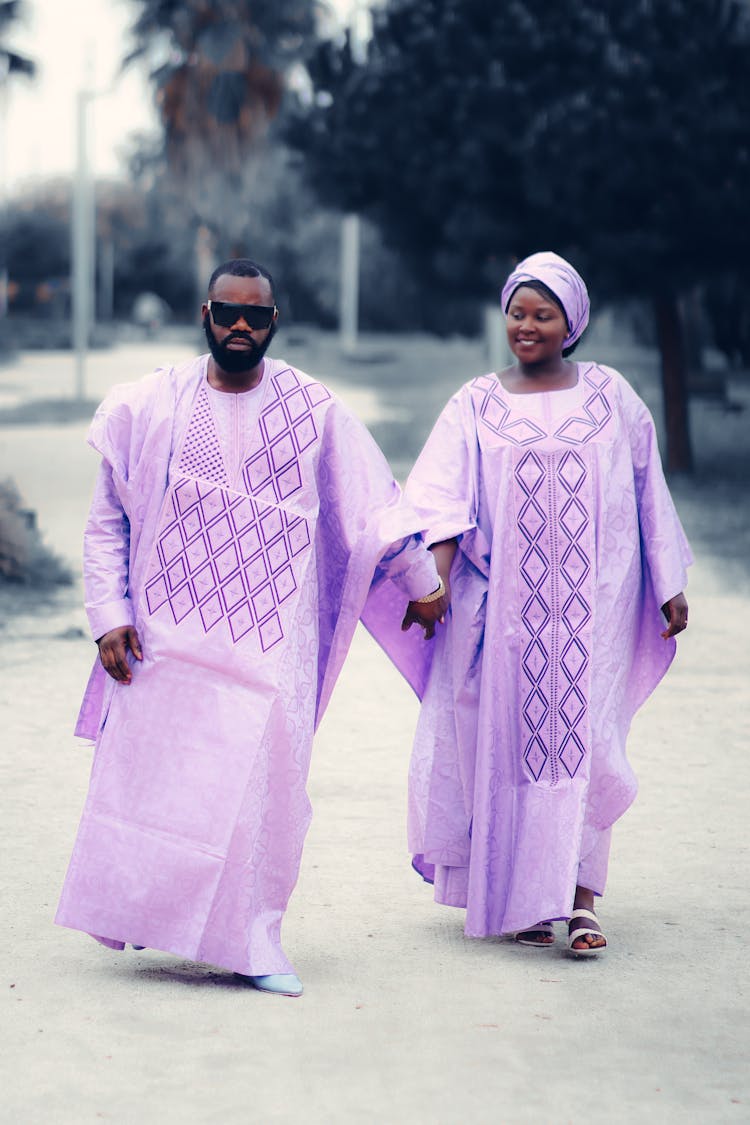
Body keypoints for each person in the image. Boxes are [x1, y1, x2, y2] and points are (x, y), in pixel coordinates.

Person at [56, 258, 448, 996]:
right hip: (167, 640)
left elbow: (377, 507)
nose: (241, 325)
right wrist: (109, 615)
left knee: (262, 794)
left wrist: (424, 585)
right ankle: (155, 909)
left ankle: (254, 940)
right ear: (204, 315)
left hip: (272, 646)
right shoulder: (148, 406)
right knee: (161, 786)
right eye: (227, 312)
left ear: (274, 321)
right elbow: (107, 517)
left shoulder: (314, 409)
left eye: (256, 316)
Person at [385, 251, 691, 956]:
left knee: (586, 747)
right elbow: (441, 505)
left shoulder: (611, 397)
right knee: (510, 748)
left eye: (543, 314)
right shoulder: (475, 404)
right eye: (518, 313)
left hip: (596, 608)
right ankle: (524, 896)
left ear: (571, 323)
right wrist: (430, 587)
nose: (527, 326)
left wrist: (669, 581)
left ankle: (582, 903)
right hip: (505, 617)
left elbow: (649, 490)